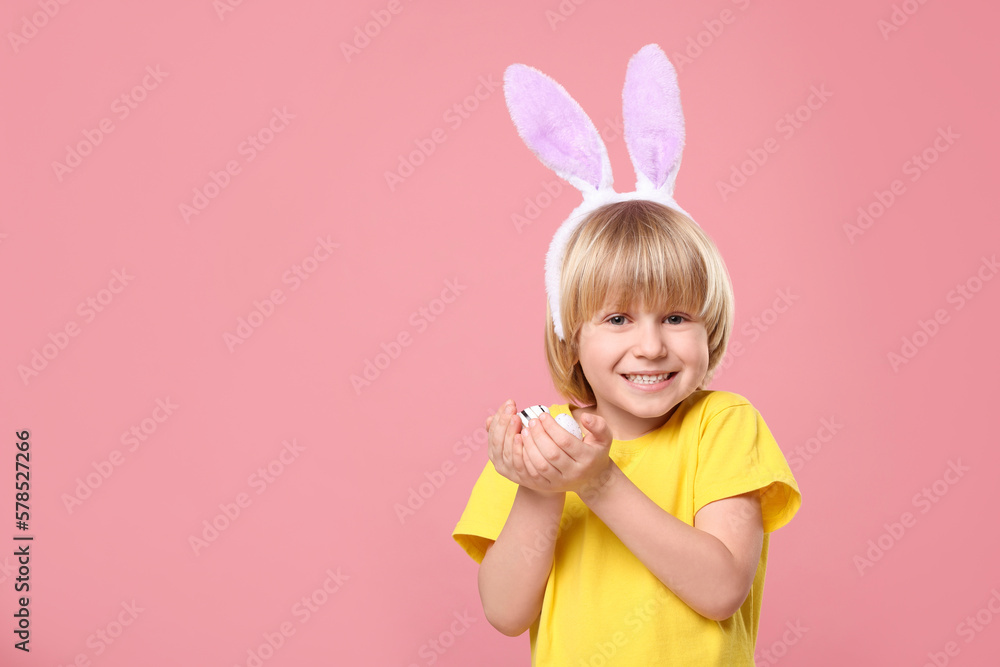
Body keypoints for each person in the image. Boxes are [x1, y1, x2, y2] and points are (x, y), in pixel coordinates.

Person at [451, 44, 801, 666]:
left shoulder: (722, 425)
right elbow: (505, 613)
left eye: (675, 316)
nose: (651, 345)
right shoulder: (547, 444)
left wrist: (601, 482)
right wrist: (540, 489)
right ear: (570, 339)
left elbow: (721, 589)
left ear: (708, 325)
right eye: (617, 318)